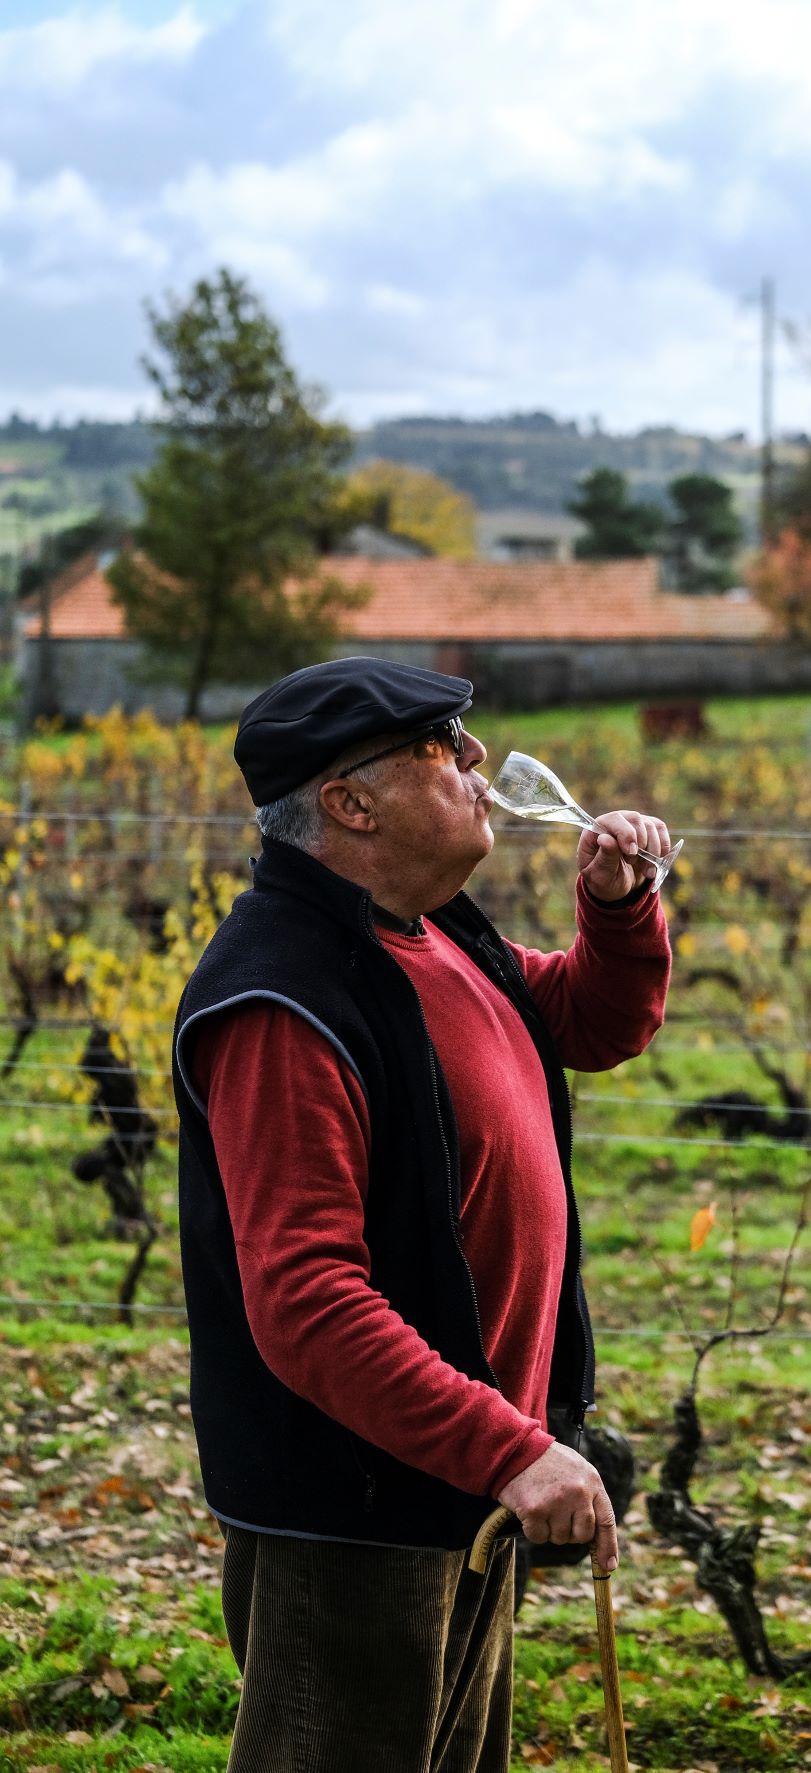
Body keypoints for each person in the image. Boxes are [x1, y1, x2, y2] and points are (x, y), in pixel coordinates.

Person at [172, 656, 673, 1773]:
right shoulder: (286, 1000)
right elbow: (308, 1304)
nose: (480, 758)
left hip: (462, 1483)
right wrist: (511, 1452)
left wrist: (616, 910)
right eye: (442, 744)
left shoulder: (427, 929)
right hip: (358, 1516)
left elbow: (586, 1024)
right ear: (351, 804)